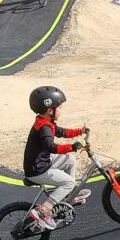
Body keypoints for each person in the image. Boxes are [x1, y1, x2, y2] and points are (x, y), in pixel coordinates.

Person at [22, 86, 91, 231]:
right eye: (59, 108)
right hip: (38, 170)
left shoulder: (46, 122)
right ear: (50, 110)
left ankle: (68, 196)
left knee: (69, 160)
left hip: (42, 162)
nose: (61, 110)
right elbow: (51, 147)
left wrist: (80, 131)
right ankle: (45, 209)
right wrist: (72, 147)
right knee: (69, 182)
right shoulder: (44, 128)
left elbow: (62, 132)